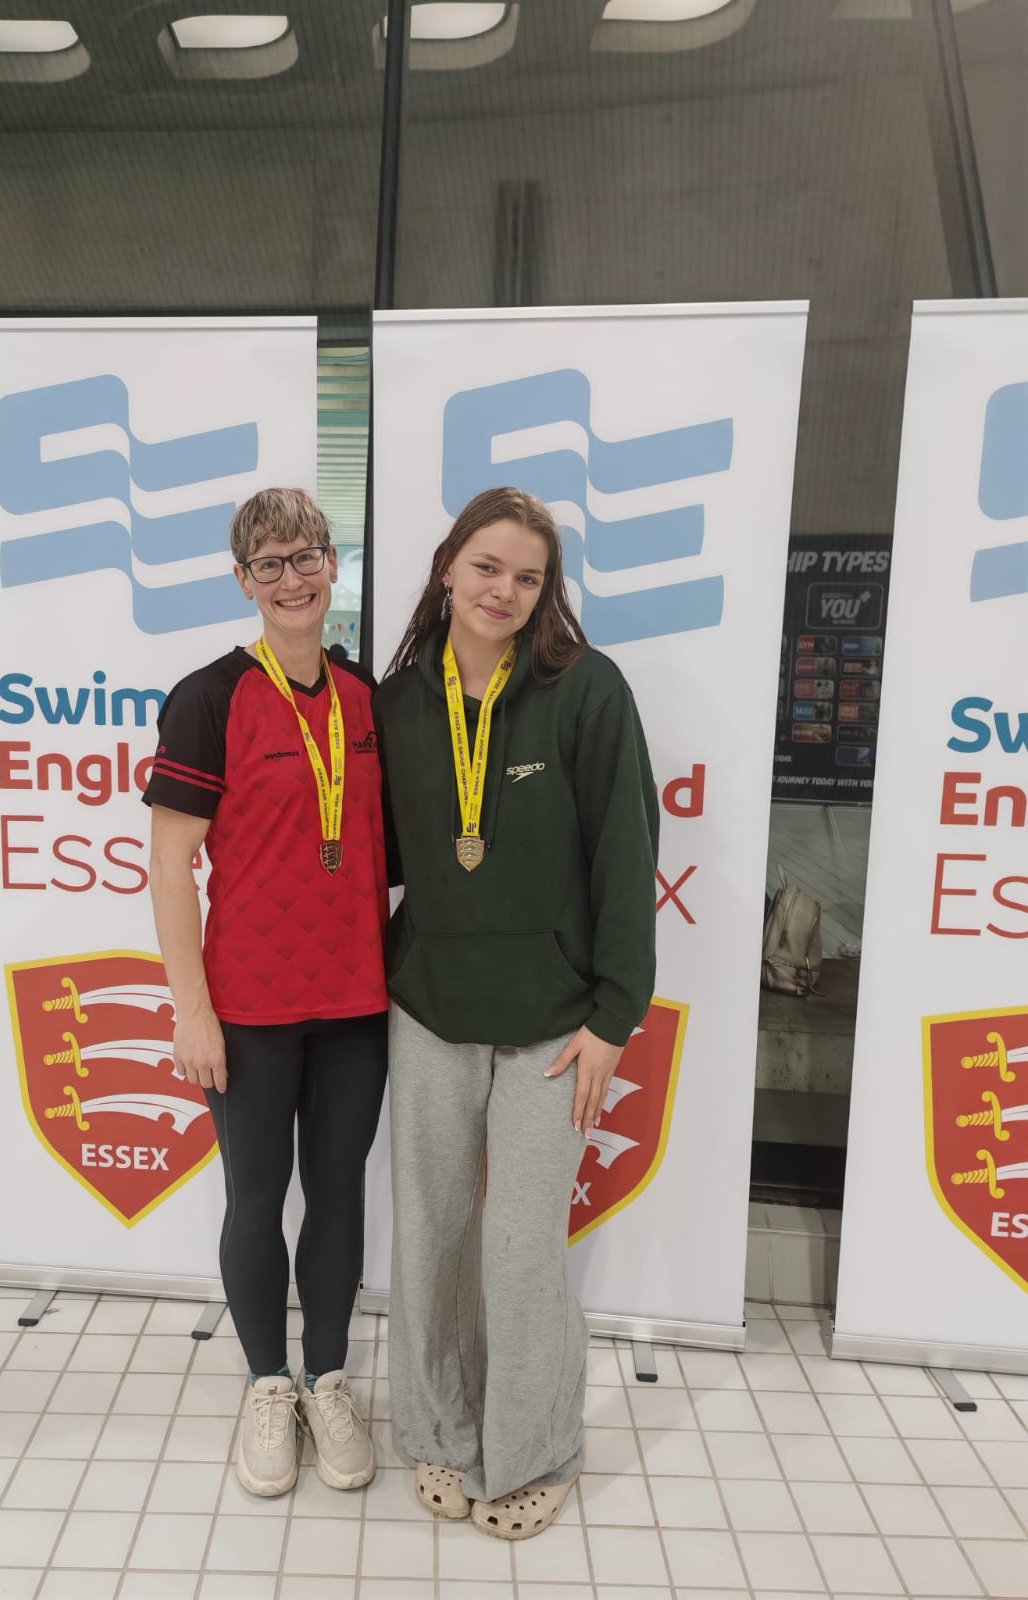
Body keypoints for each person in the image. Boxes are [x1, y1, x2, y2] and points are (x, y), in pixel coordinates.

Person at [373, 486, 659, 1541]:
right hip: (431, 1006)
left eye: (527, 576)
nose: (504, 590)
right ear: (448, 568)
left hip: (556, 1021)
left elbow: (626, 860)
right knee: (433, 1231)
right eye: (487, 566)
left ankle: (535, 1448)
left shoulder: (585, 690)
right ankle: (441, 1431)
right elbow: (380, 857)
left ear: (546, 593)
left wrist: (613, 1015)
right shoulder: (400, 701)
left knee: (522, 1243)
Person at [144, 488, 389, 1500]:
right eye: (269, 564)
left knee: (336, 1192)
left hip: (357, 1001)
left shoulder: (369, 696)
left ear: (334, 565)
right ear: (242, 581)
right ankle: (265, 1383)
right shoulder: (208, 697)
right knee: (255, 1198)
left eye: (307, 557)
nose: (293, 579)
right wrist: (190, 1009)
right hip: (246, 1004)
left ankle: (327, 1376)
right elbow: (169, 867)